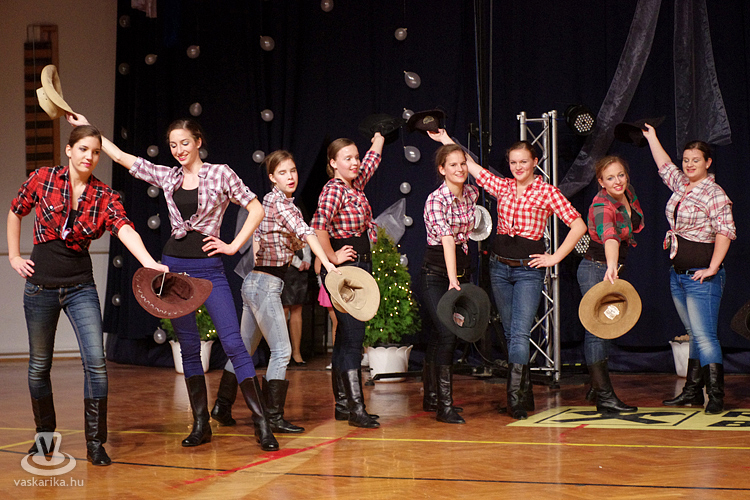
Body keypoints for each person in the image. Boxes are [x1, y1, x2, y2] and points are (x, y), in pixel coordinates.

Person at [68, 114, 279, 450]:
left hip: (210, 269)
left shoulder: (220, 173)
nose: (179, 150)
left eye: (184, 143)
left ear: (198, 142)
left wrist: (232, 245)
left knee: (234, 343)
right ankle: (201, 424)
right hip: (175, 268)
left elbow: (256, 209)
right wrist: (91, 129)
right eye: (173, 145)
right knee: (189, 347)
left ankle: (262, 424)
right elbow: (122, 158)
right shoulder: (168, 176)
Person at [8, 124, 169, 466]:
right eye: (83, 149)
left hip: (80, 287)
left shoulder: (104, 196)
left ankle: (96, 444)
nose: (89, 157)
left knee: (95, 364)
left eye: (95, 152)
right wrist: (14, 256)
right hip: (40, 288)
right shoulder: (43, 178)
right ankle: (44, 438)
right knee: (38, 366)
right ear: (69, 150)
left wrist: (149, 262)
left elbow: (125, 229)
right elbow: (15, 210)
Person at [429, 130, 587, 420]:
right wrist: (445, 139)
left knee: (520, 333)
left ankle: (514, 399)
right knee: (510, 332)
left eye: (523, 162)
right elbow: (472, 167)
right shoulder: (503, 186)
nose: (518, 167)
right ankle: (524, 393)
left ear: (535, 162)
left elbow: (578, 225)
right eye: (513, 162)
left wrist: (554, 257)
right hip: (500, 267)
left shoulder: (546, 192)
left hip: (528, 270)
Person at [210, 150, 337, 434]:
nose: (290, 177)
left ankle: (222, 406)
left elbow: (287, 240)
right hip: (265, 285)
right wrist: (327, 262)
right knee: (282, 351)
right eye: (282, 173)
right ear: (272, 178)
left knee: (243, 351)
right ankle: (272, 417)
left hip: (255, 283)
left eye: (293, 171)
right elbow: (305, 233)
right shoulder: (281, 204)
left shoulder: (270, 202)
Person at [643, 124, 736, 414]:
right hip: (679, 275)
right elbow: (664, 166)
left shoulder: (714, 192)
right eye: (686, 160)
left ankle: (716, 394)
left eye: (696, 160)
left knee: (705, 336)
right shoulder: (682, 184)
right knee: (694, 333)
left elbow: (725, 231)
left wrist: (712, 267)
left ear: (708, 162)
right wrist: (652, 137)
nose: (689, 164)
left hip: (701, 276)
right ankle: (693, 391)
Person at [311, 132, 385, 428]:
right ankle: (356, 408)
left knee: (345, 337)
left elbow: (372, 161)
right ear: (333, 163)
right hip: (347, 269)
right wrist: (331, 258)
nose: (355, 163)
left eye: (356, 157)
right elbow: (317, 226)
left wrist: (379, 136)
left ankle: (344, 404)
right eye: (347, 158)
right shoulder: (334, 190)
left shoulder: (355, 184)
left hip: (360, 266)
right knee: (353, 337)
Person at [577, 155, 643, 413]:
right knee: (597, 331)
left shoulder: (628, 193)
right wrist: (612, 265)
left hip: (610, 269)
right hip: (597, 269)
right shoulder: (601, 205)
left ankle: (596, 386)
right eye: (610, 178)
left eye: (621, 175)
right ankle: (604, 396)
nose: (617, 181)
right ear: (601, 182)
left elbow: (630, 227)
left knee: (606, 330)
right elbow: (610, 237)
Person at [420, 144, 479, 424]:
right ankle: (445, 406)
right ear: (442, 170)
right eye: (453, 165)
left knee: (438, 335)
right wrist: (453, 278)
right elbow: (446, 240)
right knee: (446, 333)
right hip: (436, 274)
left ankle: (432, 397)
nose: (459, 169)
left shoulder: (472, 194)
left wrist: (461, 275)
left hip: (460, 271)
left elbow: (466, 236)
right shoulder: (435, 200)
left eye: (462, 164)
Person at [283, 245, 311, 366]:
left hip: (301, 272)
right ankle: (283, 353)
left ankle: (296, 353)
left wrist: (307, 260)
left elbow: (307, 242)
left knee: (297, 309)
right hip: (286, 267)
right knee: (283, 310)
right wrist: (297, 262)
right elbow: (282, 246)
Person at [315, 255, 338, 370]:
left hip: (343, 283)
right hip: (330, 284)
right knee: (337, 323)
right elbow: (317, 268)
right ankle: (337, 359)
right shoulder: (324, 248)